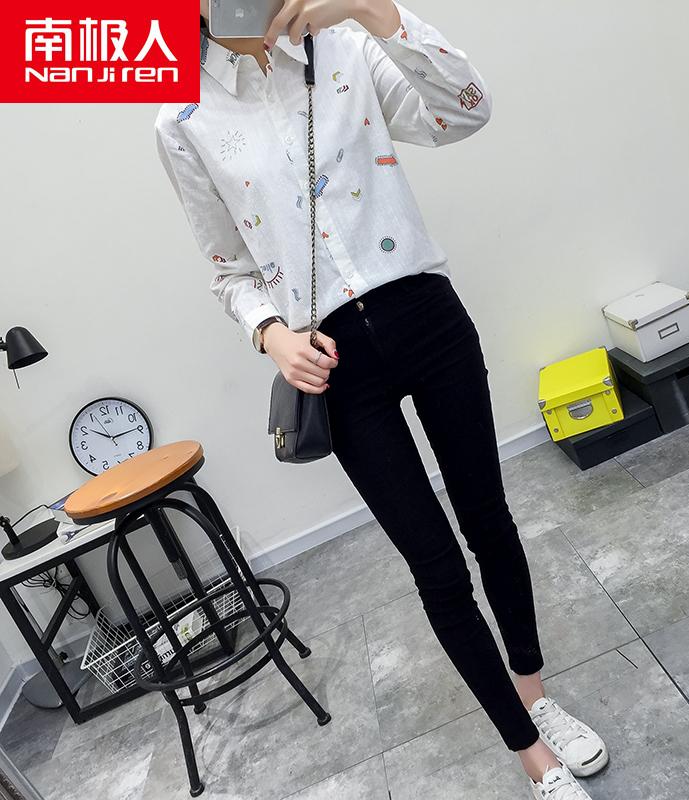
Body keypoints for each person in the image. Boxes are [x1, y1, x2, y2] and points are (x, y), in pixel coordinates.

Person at [155, 1, 609, 797]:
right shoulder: (181, 117)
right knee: (435, 564)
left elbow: (465, 111)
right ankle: (529, 752)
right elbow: (228, 269)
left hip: (426, 315)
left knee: (489, 522)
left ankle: (535, 695)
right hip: (333, 361)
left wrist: (374, 10)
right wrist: (271, 333)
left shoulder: (344, 45)